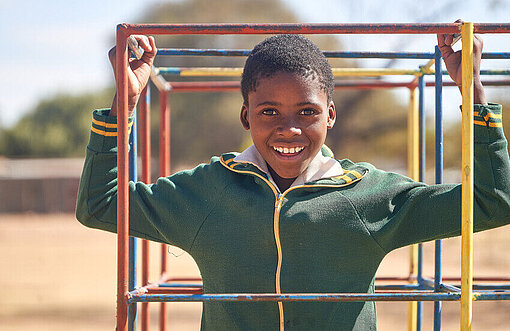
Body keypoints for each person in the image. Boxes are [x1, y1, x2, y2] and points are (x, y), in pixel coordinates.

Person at [76, 31, 510, 330]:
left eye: (308, 112)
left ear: (330, 116)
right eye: (269, 112)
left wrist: (471, 90)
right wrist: (124, 104)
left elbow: (494, 202)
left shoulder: (368, 195)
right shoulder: (210, 190)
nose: (290, 130)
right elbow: (100, 204)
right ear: (246, 117)